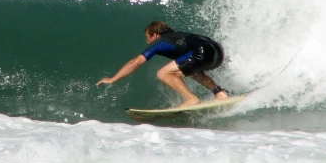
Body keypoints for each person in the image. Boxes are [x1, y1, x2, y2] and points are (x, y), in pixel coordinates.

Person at [96, 20, 229, 108]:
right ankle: (219, 93)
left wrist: (113, 78)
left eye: (148, 38)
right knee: (190, 70)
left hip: (202, 52)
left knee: (163, 73)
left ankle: (191, 99)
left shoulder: (160, 41)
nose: (148, 42)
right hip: (218, 51)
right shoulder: (178, 36)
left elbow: (136, 62)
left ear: (153, 34)